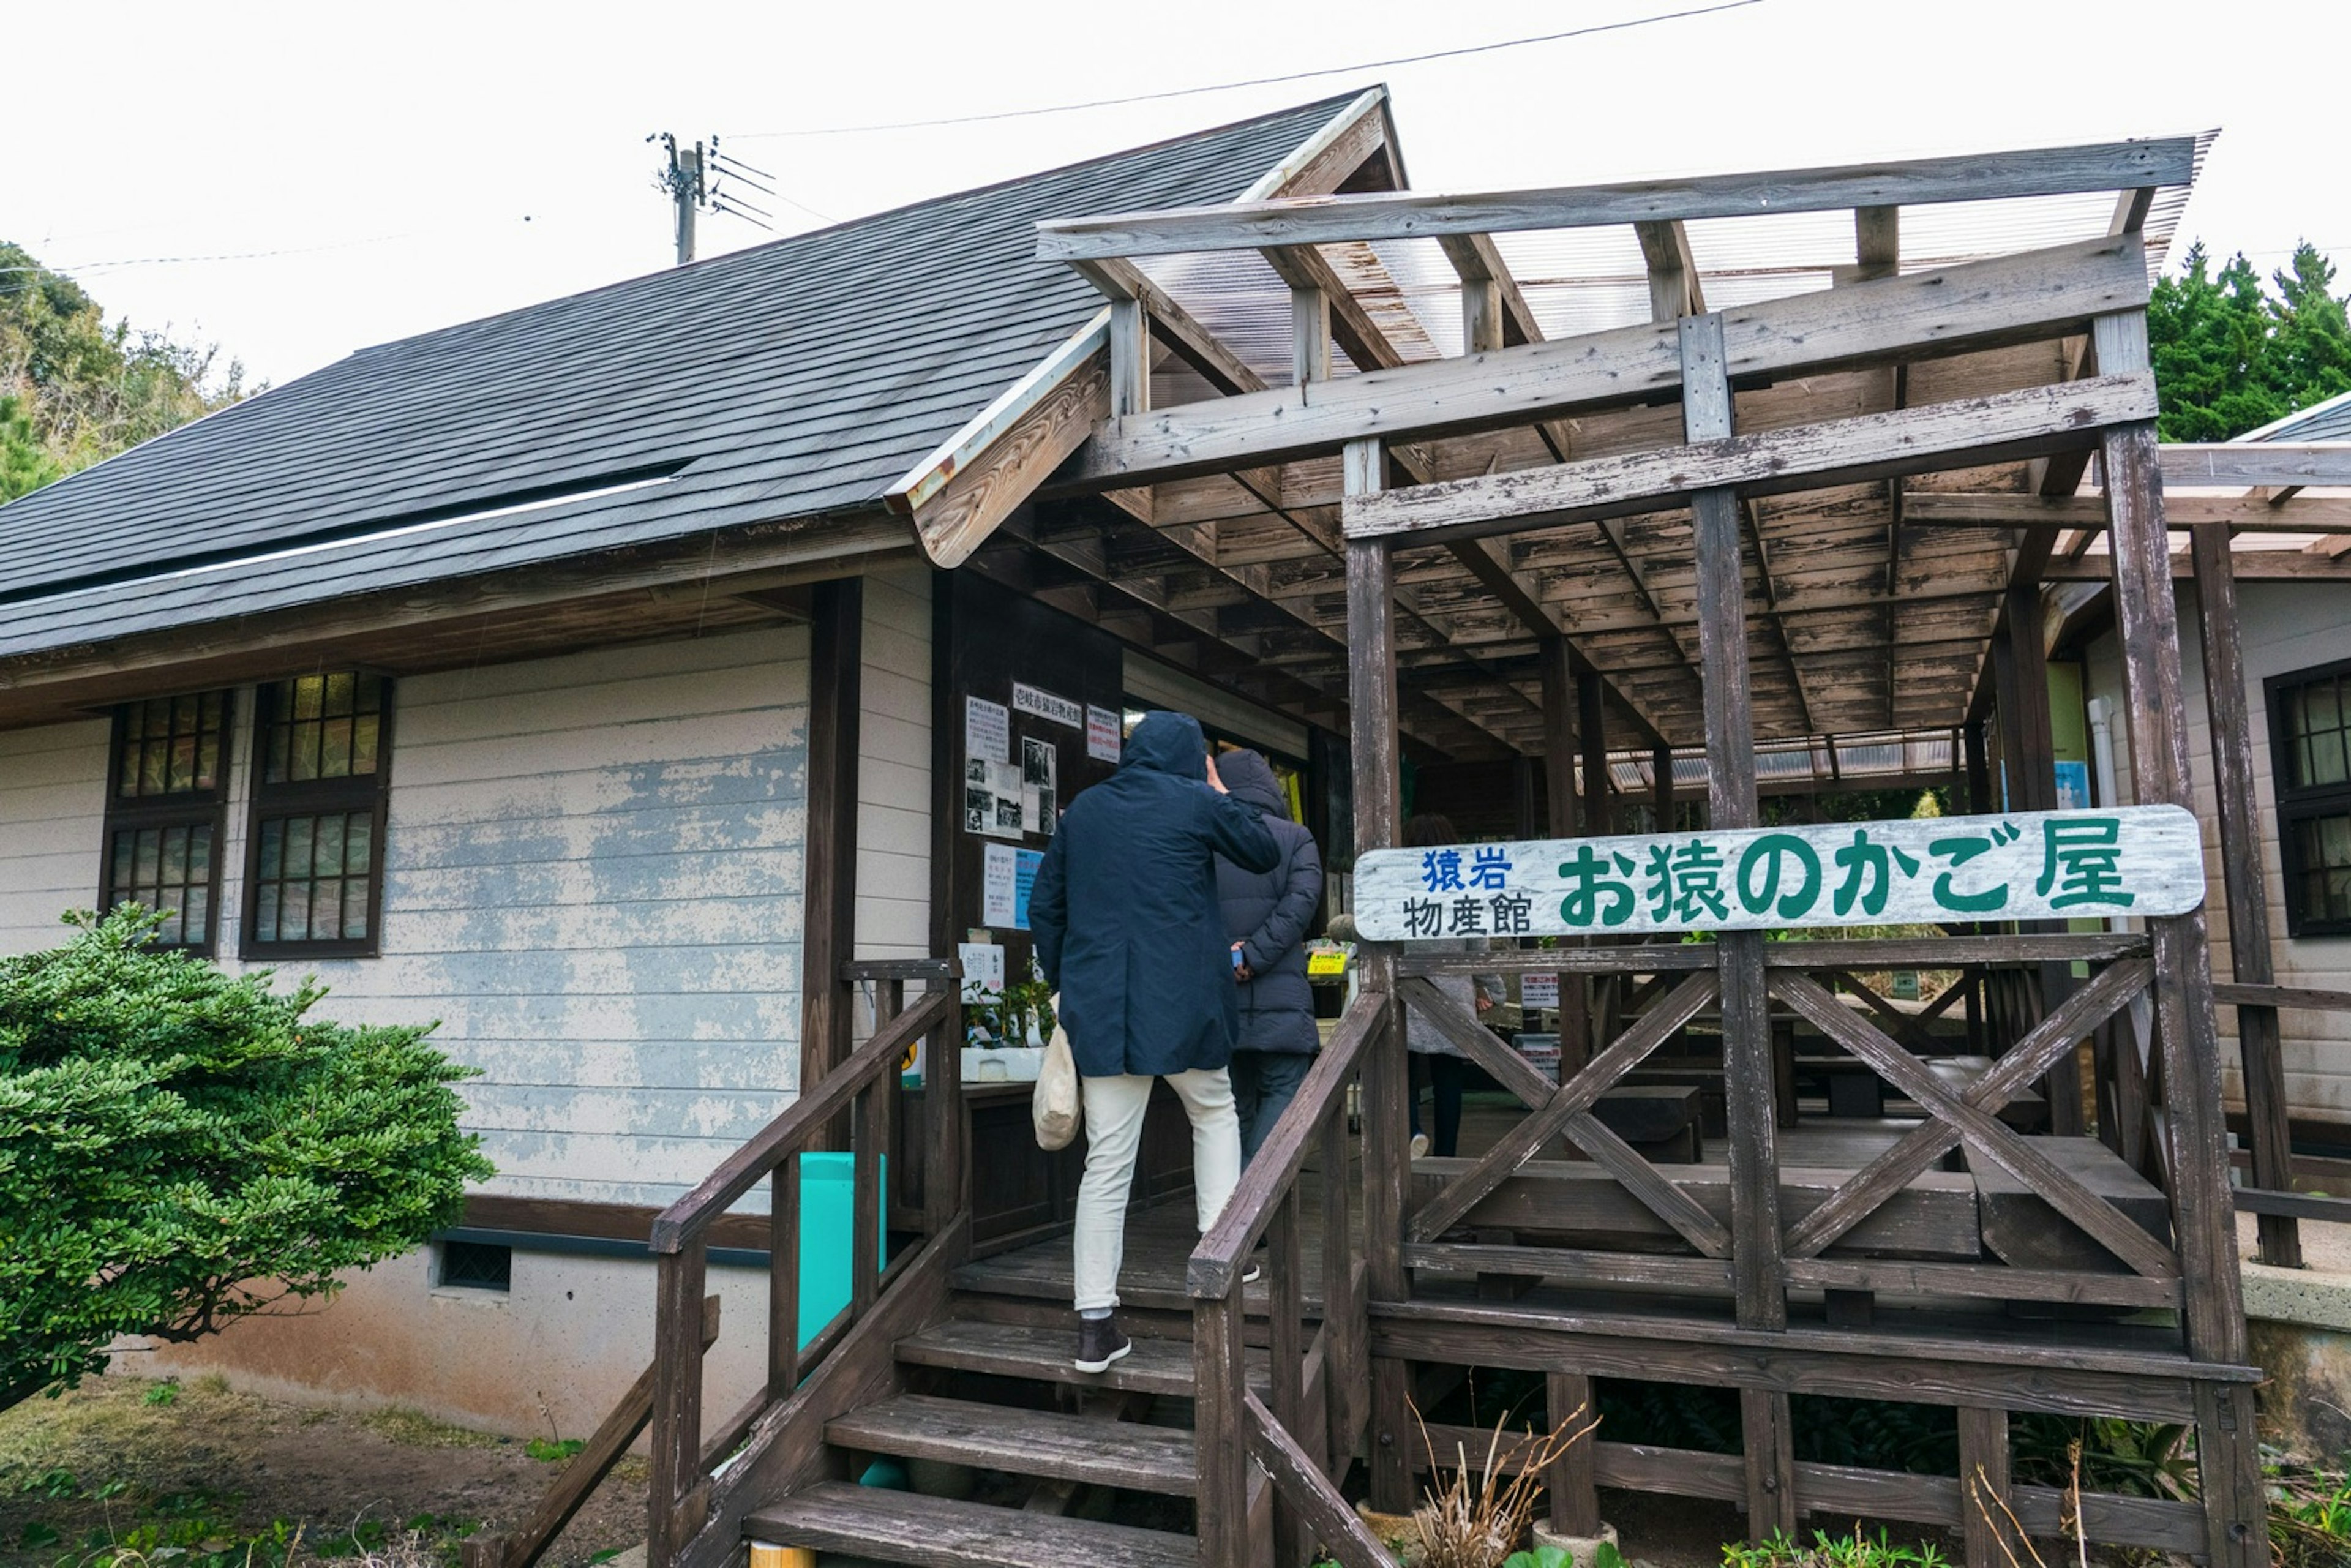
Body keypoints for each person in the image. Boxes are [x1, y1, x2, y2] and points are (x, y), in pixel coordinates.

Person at [1029, 710, 1281, 1373]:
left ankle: (1094, 1324)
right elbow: (1263, 850)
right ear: (1192, 758)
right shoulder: (1197, 800)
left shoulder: (1084, 811)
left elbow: (1045, 908)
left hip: (1103, 1009)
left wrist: (1068, 982)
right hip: (1184, 1005)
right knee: (1214, 1111)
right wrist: (1219, 789)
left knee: (1107, 1162)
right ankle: (1223, 1255)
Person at [1212, 749, 1325, 1163]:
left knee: (1231, 1106)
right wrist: (1253, 955)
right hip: (1282, 999)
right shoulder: (1296, 837)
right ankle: (1256, 1193)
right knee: (1283, 1092)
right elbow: (1300, 906)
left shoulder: (1207, 840)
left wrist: (1225, 958)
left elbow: (1185, 908)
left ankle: (1234, 1196)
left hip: (1220, 997)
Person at [1401, 812, 1503, 1160]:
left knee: (1401, 1071)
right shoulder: (1463, 889)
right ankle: (1447, 1155)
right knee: (1448, 1079)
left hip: (1406, 994)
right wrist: (1494, 991)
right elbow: (1479, 949)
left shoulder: (1399, 887)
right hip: (1453, 997)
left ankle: (1411, 1132)